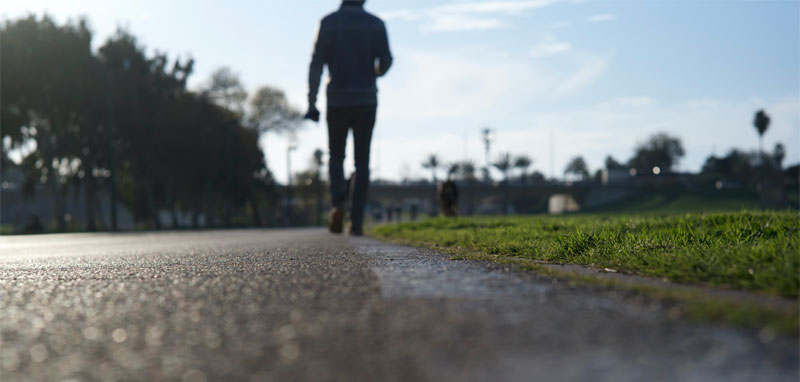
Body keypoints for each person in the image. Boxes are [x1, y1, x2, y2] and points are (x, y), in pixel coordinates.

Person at [306, 0, 392, 236]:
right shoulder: (376, 24)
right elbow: (386, 61)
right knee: (361, 162)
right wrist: (374, 73)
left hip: (337, 100)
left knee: (336, 157)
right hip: (366, 99)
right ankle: (357, 220)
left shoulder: (328, 23)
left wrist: (311, 101)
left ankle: (337, 205)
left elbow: (316, 64)